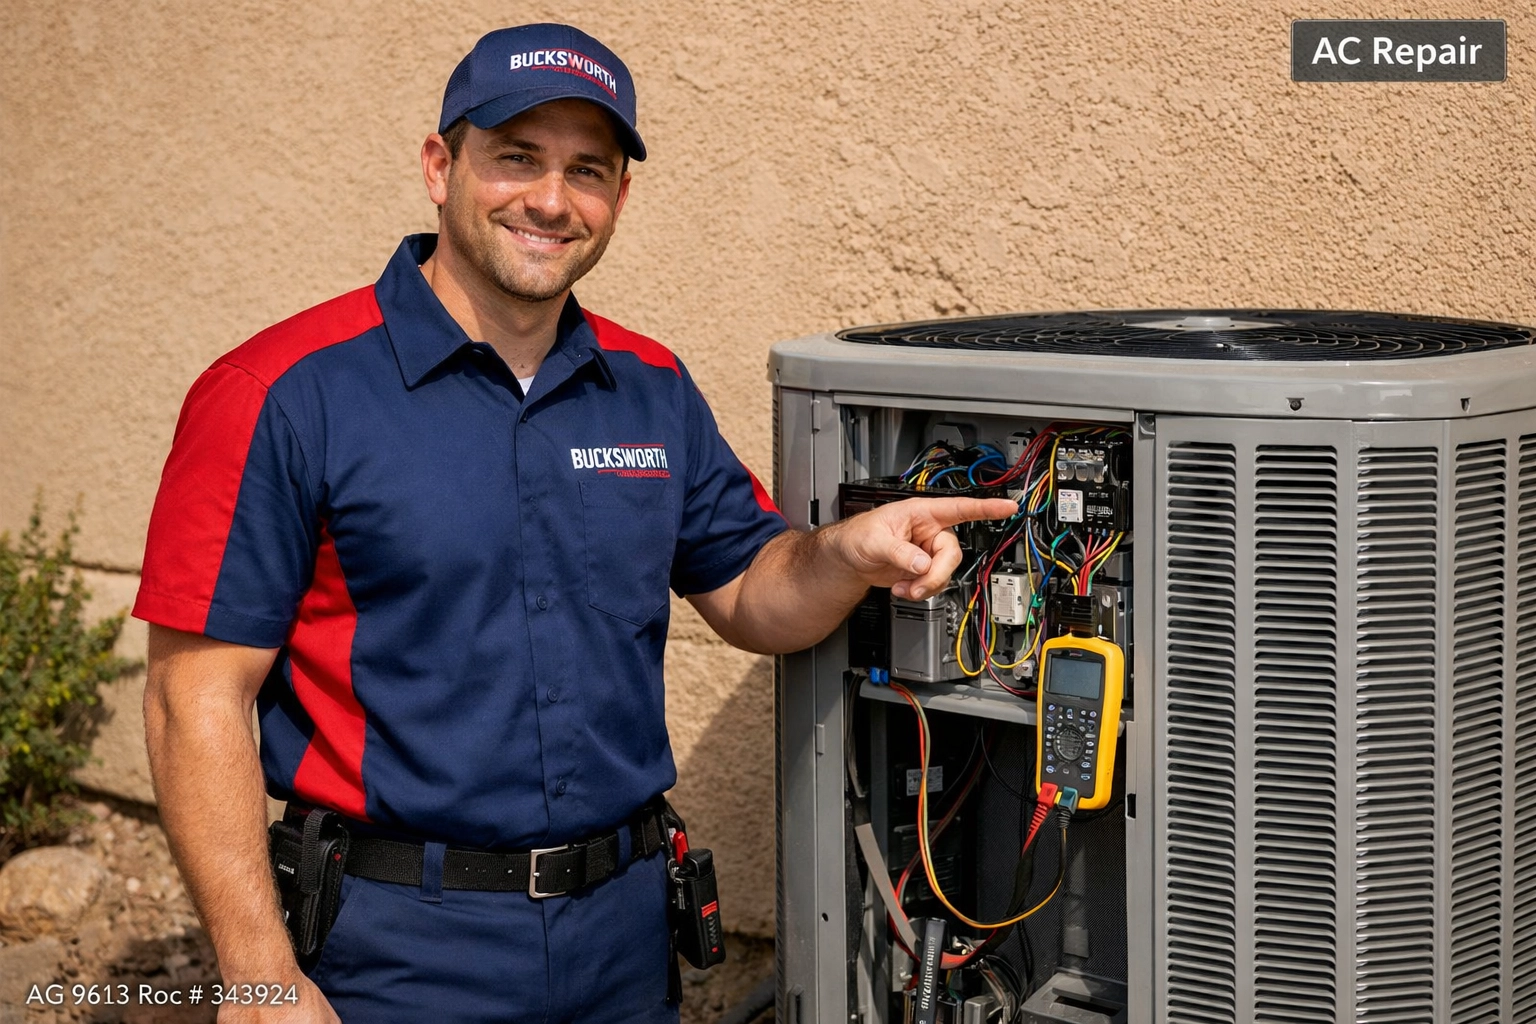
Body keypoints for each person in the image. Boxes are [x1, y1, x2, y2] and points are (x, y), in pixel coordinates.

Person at [136, 22, 1016, 1024]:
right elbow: (191, 698)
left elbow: (750, 592)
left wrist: (845, 555)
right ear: (440, 168)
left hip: (624, 941)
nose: (552, 200)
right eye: (517, 157)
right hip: (396, 949)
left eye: (587, 170)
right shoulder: (283, 393)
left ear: (619, 198)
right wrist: (258, 977)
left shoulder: (649, 387)